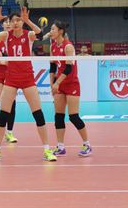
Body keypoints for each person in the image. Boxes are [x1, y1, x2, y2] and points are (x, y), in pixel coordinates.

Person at [0, 6, 56, 162]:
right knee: (3, 115)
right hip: (11, 78)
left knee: (38, 115)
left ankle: (47, 150)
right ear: (9, 23)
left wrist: (28, 20)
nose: (16, 23)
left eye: (18, 20)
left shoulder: (28, 35)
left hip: (27, 78)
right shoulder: (6, 35)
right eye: (13, 20)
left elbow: (40, 34)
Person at [49, 21, 92, 157]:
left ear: (60, 31)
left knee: (73, 116)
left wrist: (57, 83)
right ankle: (60, 146)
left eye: (53, 29)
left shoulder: (68, 47)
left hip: (71, 83)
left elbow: (69, 68)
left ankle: (87, 144)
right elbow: (53, 67)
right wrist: (52, 83)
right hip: (59, 85)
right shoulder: (52, 46)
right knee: (58, 117)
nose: (51, 31)